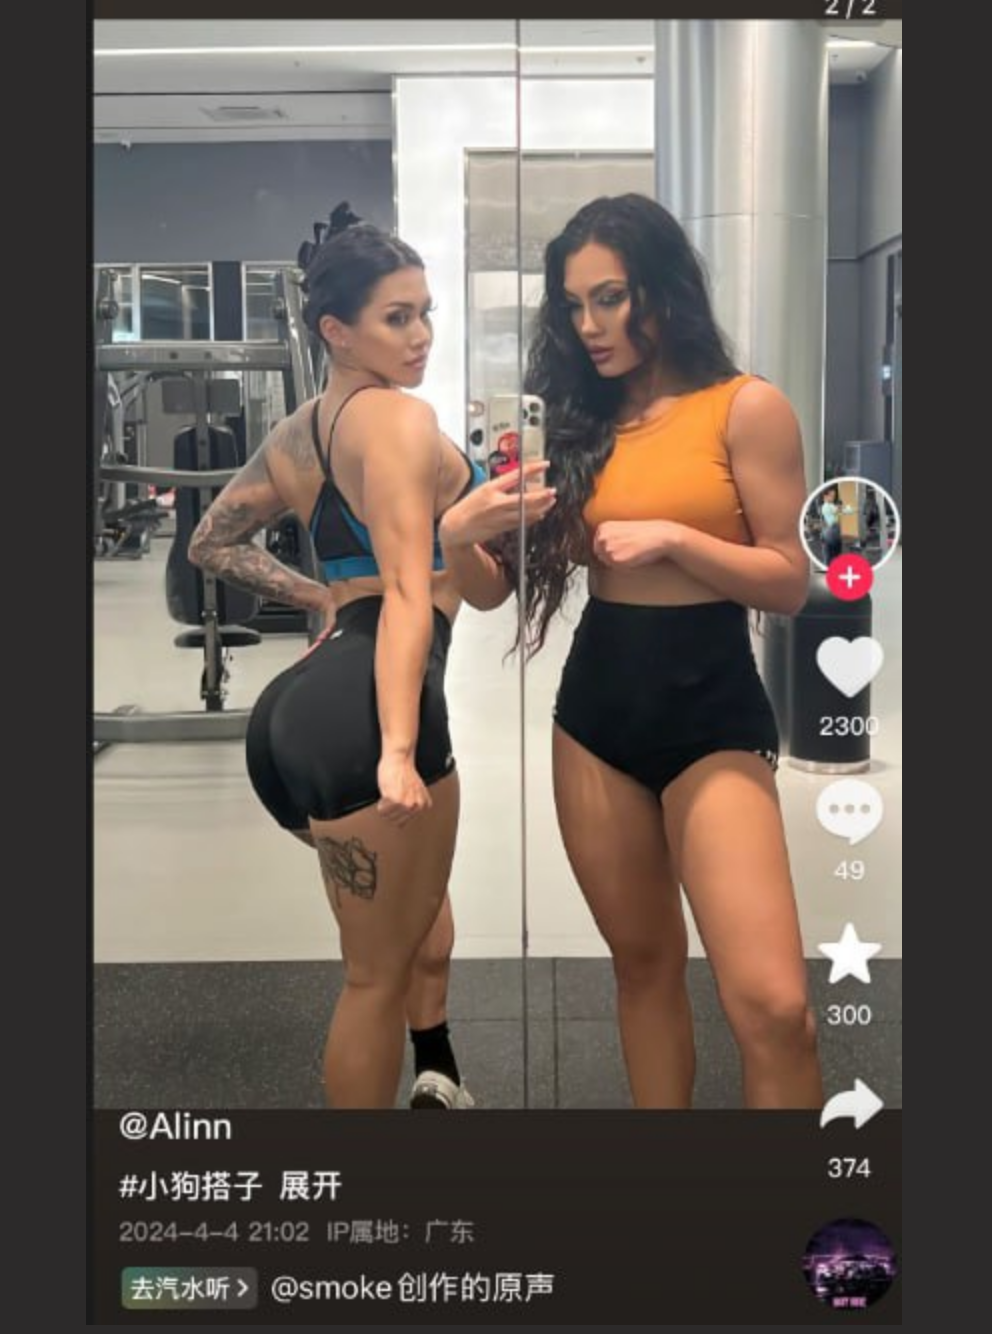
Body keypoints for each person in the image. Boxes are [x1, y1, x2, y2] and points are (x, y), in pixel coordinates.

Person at [440, 193, 824, 1109]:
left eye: (609, 298)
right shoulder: (576, 425)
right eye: (574, 305)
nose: (589, 325)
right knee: (643, 969)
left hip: (712, 713)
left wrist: (677, 540)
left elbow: (788, 580)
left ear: (663, 288)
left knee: (775, 1008)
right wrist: (458, 536)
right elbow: (492, 591)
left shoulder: (746, 408)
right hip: (597, 720)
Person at [188, 203, 556, 1109]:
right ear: (336, 331)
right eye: (397, 317)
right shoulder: (396, 419)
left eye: (425, 312)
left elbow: (211, 542)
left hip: (298, 715)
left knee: (416, 914)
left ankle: (438, 1072)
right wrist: (395, 749)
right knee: (371, 978)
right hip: (374, 714)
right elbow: (406, 596)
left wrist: (323, 594)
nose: (421, 334)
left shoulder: (299, 433)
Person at [819, 485, 843, 563]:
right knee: (829, 557)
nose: (833, 497)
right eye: (831, 496)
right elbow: (835, 514)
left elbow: (839, 512)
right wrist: (839, 509)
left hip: (835, 532)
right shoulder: (825, 507)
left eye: (834, 496)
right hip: (829, 533)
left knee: (836, 555)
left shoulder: (831, 505)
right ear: (825, 496)